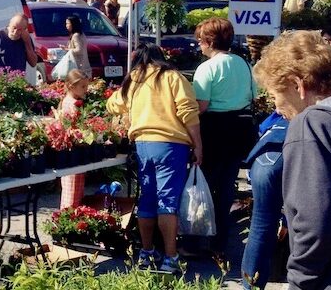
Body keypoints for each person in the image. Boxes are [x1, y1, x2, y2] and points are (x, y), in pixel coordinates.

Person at [252, 30, 331, 290]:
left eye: (274, 96)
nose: (276, 108)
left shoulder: (312, 123)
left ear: (296, 84)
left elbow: (313, 218)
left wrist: (300, 281)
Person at [106, 43, 202, 274]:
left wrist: (130, 110)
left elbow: (111, 104)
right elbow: (188, 111)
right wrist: (198, 145)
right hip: (171, 145)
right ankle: (170, 257)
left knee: (148, 200)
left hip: (142, 145)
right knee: (168, 202)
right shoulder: (172, 77)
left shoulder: (134, 80)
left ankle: (147, 253)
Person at [192, 17, 256, 259]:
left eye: (200, 40)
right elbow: (253, 95)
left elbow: (201, 105)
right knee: (227, 186)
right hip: (240, 129)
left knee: (204, 187)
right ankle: (220, 241)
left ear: (209, 41)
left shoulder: (207, 68)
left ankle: (199, 239)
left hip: (215, 129)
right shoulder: (244, 64)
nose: (199, 45)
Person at [240, 111, 289, 290]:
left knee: (260, 225)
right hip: (289, 153)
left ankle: (250, 286)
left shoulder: (277, 115)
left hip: (262, 158)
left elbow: (260, 129)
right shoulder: (317, 113)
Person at [58, 69, 89, 209]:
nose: (86, 90)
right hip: (73, 150)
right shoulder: (71, 104)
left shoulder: (70, 101)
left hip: (74, 150)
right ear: (71, 86)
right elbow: (73, 127)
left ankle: (70, 216)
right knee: (72, 189)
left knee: (75, 187)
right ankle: (68, 214)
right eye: (82, 86)